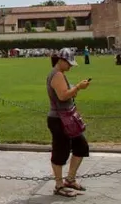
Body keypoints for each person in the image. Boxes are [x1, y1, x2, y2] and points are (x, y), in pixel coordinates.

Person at [47, 48, 91, 197]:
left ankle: (70, 180)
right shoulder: (57, 74)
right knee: (61, 151)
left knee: (81, 146)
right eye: (69, 63)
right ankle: (59, 186)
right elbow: (63, 95)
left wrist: (74, 88)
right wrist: (78, 87)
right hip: (59, 119)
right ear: (61, 61)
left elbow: (66, 92)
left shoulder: (60, 74)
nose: (71, 66)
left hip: (67, 118)